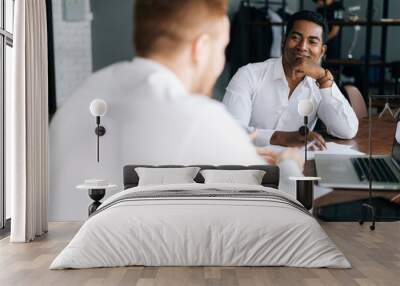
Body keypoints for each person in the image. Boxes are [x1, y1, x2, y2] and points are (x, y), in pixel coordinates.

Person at [49, 0, 303, 221]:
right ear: (201, 48)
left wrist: (226, 151)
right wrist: (289, 165)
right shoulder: (201, 119)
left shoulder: (82, 97)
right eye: (222, 48)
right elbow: (282, 212)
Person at [223, 10, 358, 149]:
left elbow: (347, 131)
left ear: (322, 51)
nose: (302, 47)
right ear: (283, 41)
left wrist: (324, 78)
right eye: (296, 38)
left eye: (312, 41)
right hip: (250, 163)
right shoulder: (249, 75)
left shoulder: (320, 85)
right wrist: (280, 137)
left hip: (297, 165)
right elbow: (231, 130)